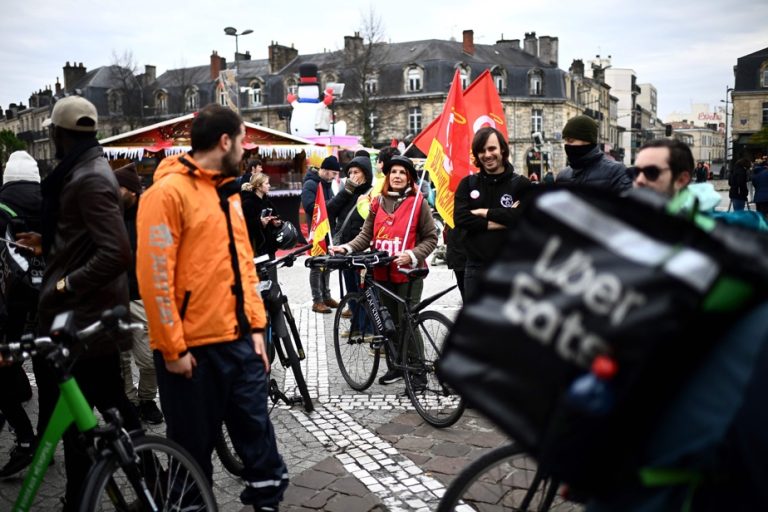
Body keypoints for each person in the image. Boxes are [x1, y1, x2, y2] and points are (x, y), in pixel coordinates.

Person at [136, 104, 288, 510]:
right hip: (192, 351)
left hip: (239, 342)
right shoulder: (165, 194)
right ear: (225, 141)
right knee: (192, 455)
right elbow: (155, 277)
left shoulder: (229, 193)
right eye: (241, 141)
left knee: (260, 444)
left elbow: (243, 264)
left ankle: (267, 500)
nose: (245, 150)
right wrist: (173, 348)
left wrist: (257, 330)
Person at [15, 96, 139, 511]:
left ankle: (132, 484)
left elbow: (117, 252)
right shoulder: (85, 169)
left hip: (79, 323)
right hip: (80, 322)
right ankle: (125, 484)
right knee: (91, 414)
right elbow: (85, 241)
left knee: (84, 419)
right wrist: (49, 247)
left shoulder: (88, 177)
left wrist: (66, 283)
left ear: (58, 133)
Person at [332, 155, 437, 385]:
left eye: (402, 172)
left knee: (406, 320)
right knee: (388, 322)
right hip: (382, 273)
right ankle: (396, 366)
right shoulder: (377, 202)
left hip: (409, 272)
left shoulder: (418, 202)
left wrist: (412, 254)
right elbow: (366, 235)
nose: (397, 176)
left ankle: (417, 370)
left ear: (409, 177)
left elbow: (431, 238)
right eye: (393, 172)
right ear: (387, 176)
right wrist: (346, 247)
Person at [0, 151, 41, 478]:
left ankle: (28, 441)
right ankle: (42, 443)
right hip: (48, 295)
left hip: (10, 298)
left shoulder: (1, 206)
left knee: (7, 355)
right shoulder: (48, 202)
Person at [454, 127, 531, 300]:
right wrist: (504, 220)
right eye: (481, 151)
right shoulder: (467, 184)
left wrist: (483, 212)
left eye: (491, 149)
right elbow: (460, 219)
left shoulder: (521, 184)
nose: (487, 155)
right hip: (476, 269)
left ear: (502, 149)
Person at [113, 163, 164, 425]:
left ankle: (147, 399)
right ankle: (130, 403)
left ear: (131, 190)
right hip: (114, 297)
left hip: (140, 295)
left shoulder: (149, 214)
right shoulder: (109, 214)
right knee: (121, 359)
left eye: (118, 186)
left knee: (150, 358)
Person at [327, 155, 373, 302]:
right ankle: (355, 323)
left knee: (363, 293)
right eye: (350, 173)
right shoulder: (347, 192)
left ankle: (364, 324)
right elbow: (330, 210)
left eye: (356, 172)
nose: (352, 176)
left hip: (362, 251)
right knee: (350, 292)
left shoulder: (372, 193)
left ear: (365, 174)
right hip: (344, 249)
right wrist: (346, 192)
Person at [556, 115, 632, 193]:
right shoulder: (562, 176)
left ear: (587, 140)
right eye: (565, 141)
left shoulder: (616, 171)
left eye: (571, 141)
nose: (567, 145)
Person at [302, 157, 339, 313]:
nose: (334, 177)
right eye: (332, 173)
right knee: (317, 266)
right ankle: (317, 300)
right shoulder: (311, 184)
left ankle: (326, 295)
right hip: (317, 231)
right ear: (323, 170)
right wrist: (330, 205)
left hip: (328, 230)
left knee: (327, 265)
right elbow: (310, 207)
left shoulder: (327, 184)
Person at [241, 172, 282, 271]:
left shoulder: (267, 201)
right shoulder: (248, 203)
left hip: (269, 245)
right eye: (267, 183)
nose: (269, 186)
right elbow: (244, 225)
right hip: (256, 248)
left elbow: (276, 216)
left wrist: (276, 223)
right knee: (261, 278)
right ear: (259, 186)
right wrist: (260, 223)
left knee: (272, 278)